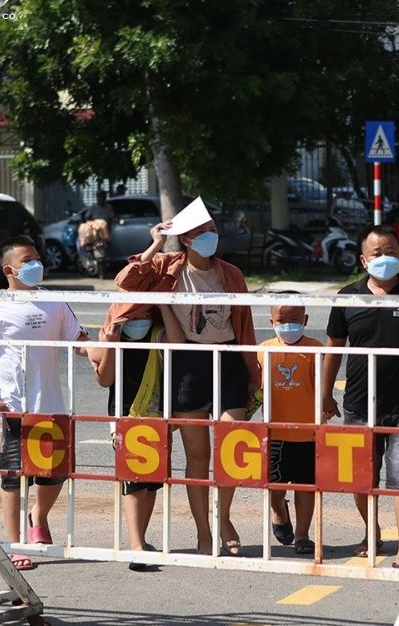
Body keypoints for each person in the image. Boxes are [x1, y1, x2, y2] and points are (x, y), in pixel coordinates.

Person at [112, 198, 260, 555]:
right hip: (187, 363)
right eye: (202, 232)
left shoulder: (230, 273)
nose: (211, 237)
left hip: (227, 359)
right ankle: (204, 532)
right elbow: (126, 280)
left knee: (232, 445)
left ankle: (223, 517)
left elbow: (244, 324)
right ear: (187, 240)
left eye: (213, 230)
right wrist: (156, 243)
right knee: (197, 455)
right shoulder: (166, 266)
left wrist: (252, 368)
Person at [322, 225, 399, 570]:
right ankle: (371, 529)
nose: (385, 258)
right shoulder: (348, 297)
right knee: (360, 477)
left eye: (391, 251)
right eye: (377, 253)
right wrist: (325, 392)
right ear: (363, 260)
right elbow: (334, 349)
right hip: (360, 404)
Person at [0, 236, 87, 571]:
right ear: (9, 269)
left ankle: (38, 518)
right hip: (11, 407)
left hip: (49, 402)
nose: (36, 264)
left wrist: (103, 348)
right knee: (12, 476)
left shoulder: (55, 301)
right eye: (28, 259)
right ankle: (16, 544)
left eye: (37, 257)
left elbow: (78, 340)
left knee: (53, 475)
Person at [87, 305, 182, 570]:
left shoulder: (157, 333)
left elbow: (178, 343)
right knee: (133, 481)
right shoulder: (112, 338)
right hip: (123, 415)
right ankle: (136, 545)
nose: (138, 321)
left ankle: (141, 536)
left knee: (151, 481)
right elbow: (104, 380)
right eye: (132, 315)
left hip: (156, 415)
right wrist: (111, 343)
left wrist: (163, 305)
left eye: (143, 315)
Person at [257, 300, 322, 555]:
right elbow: (254, 385)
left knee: (306, 486)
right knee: (274, 486)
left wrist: (327, 402)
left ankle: (303, 534)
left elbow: (322, 384)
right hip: (274, 433)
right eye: (281, 320)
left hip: (308, 432)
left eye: (294, 320)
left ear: (305, 321)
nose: (287, 325)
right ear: (271, 322)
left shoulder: (315, 349)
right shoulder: (263, 350)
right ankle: (279, 512)